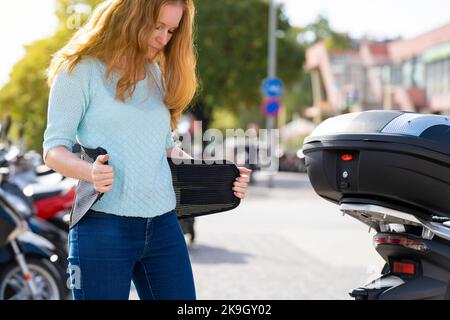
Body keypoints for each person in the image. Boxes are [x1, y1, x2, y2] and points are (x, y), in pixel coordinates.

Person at [43, 0, 251, 300]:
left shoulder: (156, 73)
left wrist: (220, 175)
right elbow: (53, 150)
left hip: (164, 226)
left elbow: (166, 149)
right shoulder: (79, 70)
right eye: (157, 26)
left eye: (171, 30)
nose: (163, 38)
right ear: (131, 16)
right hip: (102, 226)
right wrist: (89, 172)